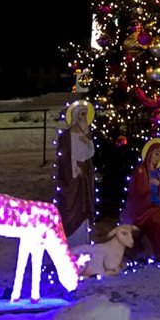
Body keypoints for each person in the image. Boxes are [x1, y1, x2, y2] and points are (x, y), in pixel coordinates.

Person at [56, 99, 96, 247]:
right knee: (69, 207)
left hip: (83, 177)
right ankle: (70, 244)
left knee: (83, 208)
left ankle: (82, 243)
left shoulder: (86, 133)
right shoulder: (66, 136)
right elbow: (64, 157)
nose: (83, 118)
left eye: (85, 114)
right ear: (75, 116)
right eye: (81, 114)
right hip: (71, 177)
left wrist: (88, 141)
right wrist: (73, 169)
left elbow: (90, 154)